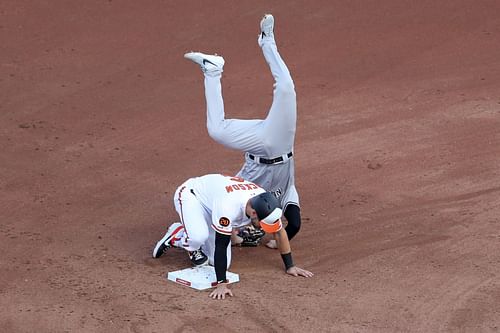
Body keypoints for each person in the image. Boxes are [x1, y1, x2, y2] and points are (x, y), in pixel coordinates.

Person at [184, 14, 301, 249]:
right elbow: (295, 224)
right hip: (279, 142)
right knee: (287, 89)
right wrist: (280, 242)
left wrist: (238, 236)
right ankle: (267, 41)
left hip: (255, 152)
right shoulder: (287, 192)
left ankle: (212, 70)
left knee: (216, 130)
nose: (257, 223)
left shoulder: (245, 188)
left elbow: (227, 216)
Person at [152, 174, 313, 300]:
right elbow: (221, 245)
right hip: (193, 196)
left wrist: (290, 266)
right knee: (197, 237)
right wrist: (221, 284)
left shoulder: (264, 202)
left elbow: (279, 232)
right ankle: (178, 235)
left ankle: (196, 235)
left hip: (214, 202)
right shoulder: (228, 207)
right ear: (254, 213)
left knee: (219, 263)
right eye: (261, 223)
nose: (264, 229)